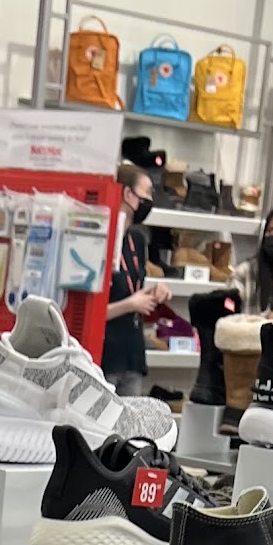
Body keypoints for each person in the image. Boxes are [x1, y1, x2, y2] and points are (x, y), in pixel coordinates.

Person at [102, 160, 169, 394]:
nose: (150, 200)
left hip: (132, 355)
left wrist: (152, 293)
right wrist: (130, 304)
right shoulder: (101, 239)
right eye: (147, 192)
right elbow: (93, 312)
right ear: (128, 194)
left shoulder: (137, 241)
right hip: (104, 356)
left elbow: (130, 290)